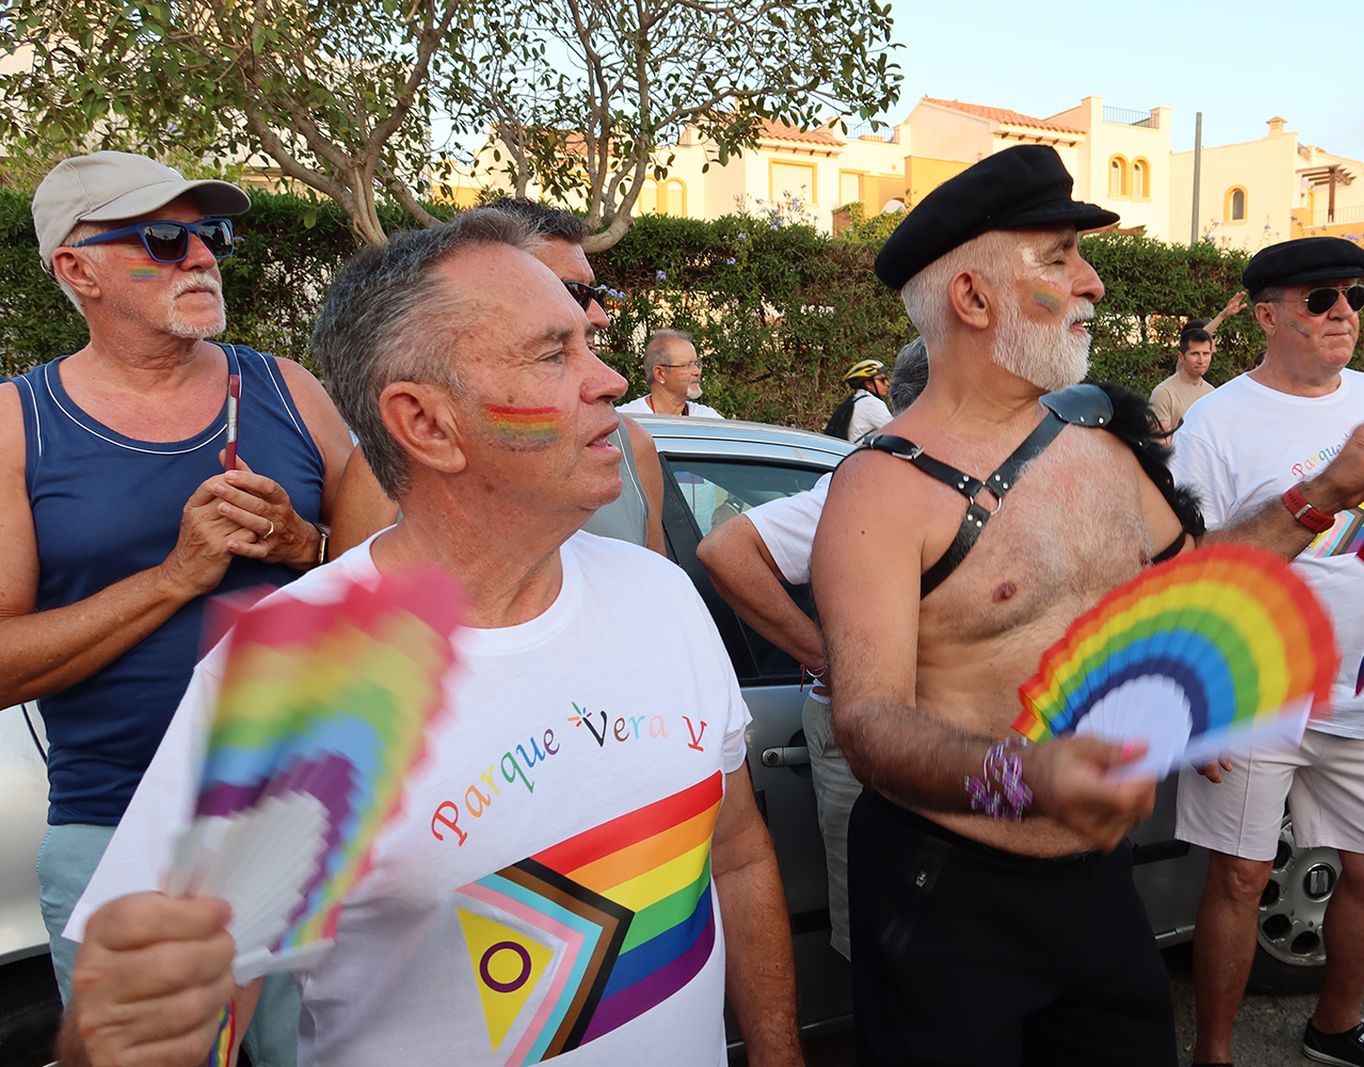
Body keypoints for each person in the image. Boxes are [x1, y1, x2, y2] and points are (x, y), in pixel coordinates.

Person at [57, 210, 803, 1067]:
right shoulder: (300, 678)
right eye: (554, 352)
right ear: (427, 425)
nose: (605, 381)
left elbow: (738, 859)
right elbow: (156, 1028)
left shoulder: (660, 594)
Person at [809, 146, 1364, 1066]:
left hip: (1095, 888)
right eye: (1058, 258)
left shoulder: (1100, 449)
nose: (1091, 281)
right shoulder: (881, 491)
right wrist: (1030, 774)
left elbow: (1194, 581)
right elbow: (869, 721)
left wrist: (1324, 489)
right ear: (972, 298)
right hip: (947, 895)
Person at [1, 150, 350, 1062]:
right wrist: (174, 575)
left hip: (311, 827)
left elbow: (420, 588)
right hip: (122, 836)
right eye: (164, 237)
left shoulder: (289, 390)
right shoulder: (17, 424)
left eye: (213, 234)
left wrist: (305, 548)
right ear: (76, 270)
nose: (201, 255)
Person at [1171, 237, 1364, 1067]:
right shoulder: (1217, 420)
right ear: (1267, 314)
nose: (1344, 312)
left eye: (1353, 294)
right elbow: (1186, 562)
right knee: (1242, 878)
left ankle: (1337, 1025)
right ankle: (1214, 1052)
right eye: (1321, 299)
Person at [697, 338, 928, 961]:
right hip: (871, 735)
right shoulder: (869, 483)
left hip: (938, 737)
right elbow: (726, 552)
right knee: (890, 944)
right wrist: (829, 657)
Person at [328, 201, 666, 557]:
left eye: (591, 292)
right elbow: (353, 594)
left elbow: (656, 599)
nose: (598, 315)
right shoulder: (394, 459)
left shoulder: (632, 448)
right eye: (570, 291)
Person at [619, 330, 723, 418]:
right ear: (660, 374)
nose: (697, 372)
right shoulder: (628, 419)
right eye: (687, 365)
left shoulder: (708, 420)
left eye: (696, 364)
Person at [1149, 326, 1216, 440]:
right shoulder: (1164, 393)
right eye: (1195, 354)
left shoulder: (1212, 392)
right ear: (1181, 356)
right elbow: (1160, 444)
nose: (1201, 360)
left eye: (1206, 354)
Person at [822, 358, 892, 442]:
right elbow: (896, 431)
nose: (887, 383)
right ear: (868, 384)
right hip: (863, 453)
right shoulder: (872, 404)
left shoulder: (855, 400)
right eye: (882, 380)